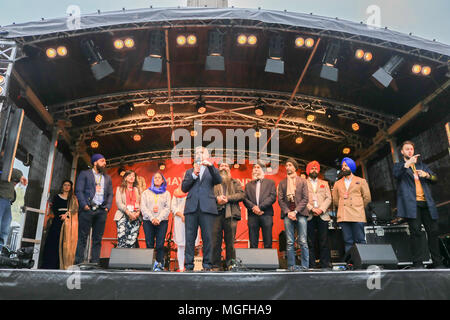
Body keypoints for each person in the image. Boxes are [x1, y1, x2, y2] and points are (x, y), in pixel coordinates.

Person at [393, 140, 444, 269]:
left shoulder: (422, 165)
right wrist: (407, 164)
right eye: (407, 149)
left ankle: (437, 262)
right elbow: (396, 175)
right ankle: (418, 263)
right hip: (412, 205)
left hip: (426, 204)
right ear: (402, 152)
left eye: (411, 149)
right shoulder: (399, 166)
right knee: (416, 233)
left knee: (433, 232)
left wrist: (426, 175)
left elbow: (435, 178)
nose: (410, 151)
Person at [181, 146, 222, 271]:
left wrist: (210, 165)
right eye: (197, 152)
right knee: (189, 238)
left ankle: (207, 265)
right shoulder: (189, 171)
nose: (199, 154)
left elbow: (218, 180)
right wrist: (194, 174)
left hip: (207, 209)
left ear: (207, 155)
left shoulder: (212, 170)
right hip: (191, 209)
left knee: (208, 238)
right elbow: (184, 188)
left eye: (201, 152)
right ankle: (188, 266)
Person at [74, 154, 113, 264]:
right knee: (82, 237)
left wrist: (107, 208)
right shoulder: (85, 174)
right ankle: (78, 262)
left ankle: (95, 262)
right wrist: (84, 205)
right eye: (102, 161)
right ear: (95, 162)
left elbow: (110, 194)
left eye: (105, 161)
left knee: (97, 239)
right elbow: (79, 190)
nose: (104, 163)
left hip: (101, 210)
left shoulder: (107, 177)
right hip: (87, 209)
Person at [332, 157, 371, 254]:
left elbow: (367, 198)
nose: (344, 168)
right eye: (342, 166)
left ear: (351, 167)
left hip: (358, 214)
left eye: (346, 165)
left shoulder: (361, 181)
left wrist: (359, 206)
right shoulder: (337, 183)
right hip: (344, 215)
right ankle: (350, 264)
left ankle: (363, 264)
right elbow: (335, 200)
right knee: (348, 241)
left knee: (360, 240)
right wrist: (343, 206)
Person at [212, 161, 245, 270]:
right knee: (215, 241)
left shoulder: (235, 182)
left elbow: (241, 195)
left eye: (226, 166)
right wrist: (217, 199)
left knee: (230, 242)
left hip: (230, 214)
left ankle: (230, 265)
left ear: (229, 169)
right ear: (218, 168)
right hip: (216, 214)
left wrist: (228, 199)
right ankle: (216, 265)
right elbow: (208, 195)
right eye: (221, 165)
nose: (224, 167)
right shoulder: (213, 182)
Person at [278, 158, 309, 270]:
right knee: (290, 242)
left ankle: (305, 266)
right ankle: (291, 266)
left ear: (295, 167)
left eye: (290, 165)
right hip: (288, 214)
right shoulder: (282, 183)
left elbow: (305, 199)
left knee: (303, 241)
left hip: (300, 213)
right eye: (286, 165)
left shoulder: (302, 181)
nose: (287, 167)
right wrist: (288, 212)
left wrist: (295, 211)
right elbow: (280, 200)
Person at [41, 180, 78, 269]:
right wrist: (60, 216)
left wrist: (66, 215)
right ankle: (49, 265)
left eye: (68, 185)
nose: (66, 187)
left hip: (68, 224)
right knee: (53, 242)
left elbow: (75, 210)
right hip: (57, 221)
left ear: (71, 187)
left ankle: (61, 265)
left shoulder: (73, 198)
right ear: (62, 186)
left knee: (65, 244)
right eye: (65, 185)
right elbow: (54, 208)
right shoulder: (57, 197)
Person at [141, 172, 171, 271]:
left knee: (160, 244)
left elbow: (167, 208)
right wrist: (152, 218)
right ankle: (149, 265)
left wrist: (158, 219)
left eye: (159, 178)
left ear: (163, 181)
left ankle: (159, 265)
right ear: (153, 180)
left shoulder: (166, 193)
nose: (157, 179)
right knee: (149, 243)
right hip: (148, 221)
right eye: (155, 178)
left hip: (162, 222)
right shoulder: (146, 193)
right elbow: (143, 207)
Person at [305, 161, 332, 269]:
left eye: (316, 168)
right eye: (312, 168)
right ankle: (311, 265)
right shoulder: (303, 183)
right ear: (308, 171)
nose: (314, 170)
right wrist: (312, 209)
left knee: (324, 241)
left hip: (323, 214)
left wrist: (321, 209)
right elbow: (302, 198)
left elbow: (329, 198)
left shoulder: (324, 183)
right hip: (309, 215)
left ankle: (325, 265)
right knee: (310, 242)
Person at [244, 161, 277, 249]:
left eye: (258, 167)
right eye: (254, 167)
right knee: (253, 242)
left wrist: (260, 207)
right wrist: (254, 207)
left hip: (266, 214)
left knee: (268, 241)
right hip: (252, 215)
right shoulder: (248, 185)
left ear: (263, 170)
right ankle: (253, 262)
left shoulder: (270, 182)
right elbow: (245, 199)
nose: (256, 169)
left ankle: (268, 262)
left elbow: (272, 197)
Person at [171, 181, 200, 272]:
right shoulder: (177, 191)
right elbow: (173, 207)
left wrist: (189, 215)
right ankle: (181, 267)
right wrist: (182, 215)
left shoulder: (195, 190)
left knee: (191, 244)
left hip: (193, 218)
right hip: (180, 220)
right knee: (181, 245)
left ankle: (190, 267)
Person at [0, 167, 27, 250]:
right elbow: (9, 171)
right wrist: (20, 177)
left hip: (7, 201)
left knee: (5, 229)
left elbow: (12, 171)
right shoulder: (3, 166)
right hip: (1, 199)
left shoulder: (6, 165)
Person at [114, 170, 141, 248]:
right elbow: (119, 203)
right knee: (122, 240)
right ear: (125, 178)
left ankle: (130, 259)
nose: (132, 177)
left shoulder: (137, 189)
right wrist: (128, 212)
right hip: (123, 215)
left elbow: (140, 202)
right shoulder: (120, 188)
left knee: (132, 242)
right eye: (129, 176)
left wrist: (138, 212)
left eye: (133, 176)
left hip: (135, 217)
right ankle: (121, 260)